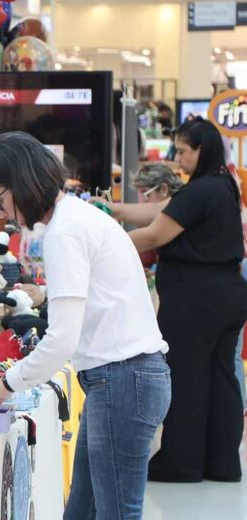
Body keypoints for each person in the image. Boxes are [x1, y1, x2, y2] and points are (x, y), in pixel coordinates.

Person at [0, 132, 170, 518]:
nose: (2, 213)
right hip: (122, 378)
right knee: (83, 509)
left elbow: (61, 340)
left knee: (115, 513)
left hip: (123, 380)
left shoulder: (66, 231)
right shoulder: (75, 219)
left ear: (23, 183)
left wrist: (6, 383)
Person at [128, 117, 247, 483]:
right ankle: (222, 462)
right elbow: (162, 213)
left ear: (202, 149)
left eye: (183, 151)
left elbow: (154, 235)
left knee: (185, 377)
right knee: (220, 376)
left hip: (197, 299)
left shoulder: (201, 191)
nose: (177, 158)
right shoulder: (223, 184)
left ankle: (181, 464)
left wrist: (103, 242)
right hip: (227, 293)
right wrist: (113, 211)